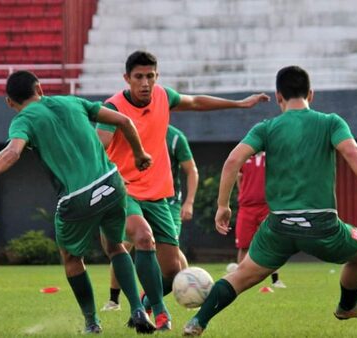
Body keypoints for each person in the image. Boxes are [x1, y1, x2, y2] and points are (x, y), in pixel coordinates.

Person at [182, 66, 357, 336]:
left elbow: (233, 161)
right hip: (322, 227)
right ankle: (348, 306)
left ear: (278, 96)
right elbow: (352, 152)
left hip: (279, 227)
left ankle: (197, 321)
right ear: (311, 94)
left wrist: (223, 206)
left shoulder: (267, 128)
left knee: (241, 274)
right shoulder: (330, 122)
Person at [0, 70, 156, 335]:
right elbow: (124, 121)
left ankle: (92, 323)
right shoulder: (72, 101)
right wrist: (140, 154)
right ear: (39, 87)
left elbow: (13, 151)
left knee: (72, 258)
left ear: (9, 103)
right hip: (112, 184)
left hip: (77, 197)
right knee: (116, 246)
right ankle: (137, 310)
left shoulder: (23, 119)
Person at [96, 50, 270, 330]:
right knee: (142, 238)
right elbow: (98, 147)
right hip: (124, 192)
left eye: (150, 76)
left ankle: (143, 306)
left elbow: (196, 101)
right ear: (126, 78)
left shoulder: (164, 96)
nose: (145, 83)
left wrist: (238, 104)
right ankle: (160, 312)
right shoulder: (113, 107)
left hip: (159, 195)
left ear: (157, 76)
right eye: (138, 77)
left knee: (173, 271)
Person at [101, 124, 198, 312]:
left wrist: (189, 202)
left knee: (172, 251)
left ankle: (186, 294)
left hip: (167, 203)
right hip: (133, 196)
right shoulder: (127, 132)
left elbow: (191, 170)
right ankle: (114, 300)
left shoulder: (176, 137)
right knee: (124, 245)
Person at [234, 152, 285, 288]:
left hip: (267, 206)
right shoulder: (243, 157)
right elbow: (238, 177)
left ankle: (275, 280)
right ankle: (239, 281)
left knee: (272, 243)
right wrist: (244, 194)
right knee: (244, 244)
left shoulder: (271, 158)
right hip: (246, 207)